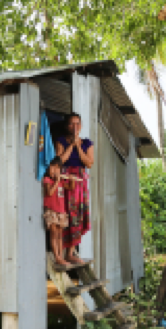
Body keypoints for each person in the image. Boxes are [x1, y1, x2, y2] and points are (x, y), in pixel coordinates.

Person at [54, 112, 94, 264]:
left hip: (80, 182)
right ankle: (62, 253)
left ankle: (71, 252)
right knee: (65, 213)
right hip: (65, 180)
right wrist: (71, 145)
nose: (75, 127)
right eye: (71, 123)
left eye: (78, 123)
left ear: (81, 126)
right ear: (66, 126)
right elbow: (60, 160)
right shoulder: (61, 141)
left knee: (78, 214)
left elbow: (89, 163)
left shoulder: (87, 143)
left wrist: (79, 147)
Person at [42, 157, 69, 266]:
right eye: (52, 167)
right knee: (53, 233)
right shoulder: (47, 180)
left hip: (60, 211)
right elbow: (49, 193)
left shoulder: (62, 181)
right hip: (51, 211)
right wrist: (57, 181)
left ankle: (61, 256)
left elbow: (71, 187)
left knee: (59, 234)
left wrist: (71, 179)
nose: (54, 170)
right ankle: (57, 257)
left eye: (57, 168)